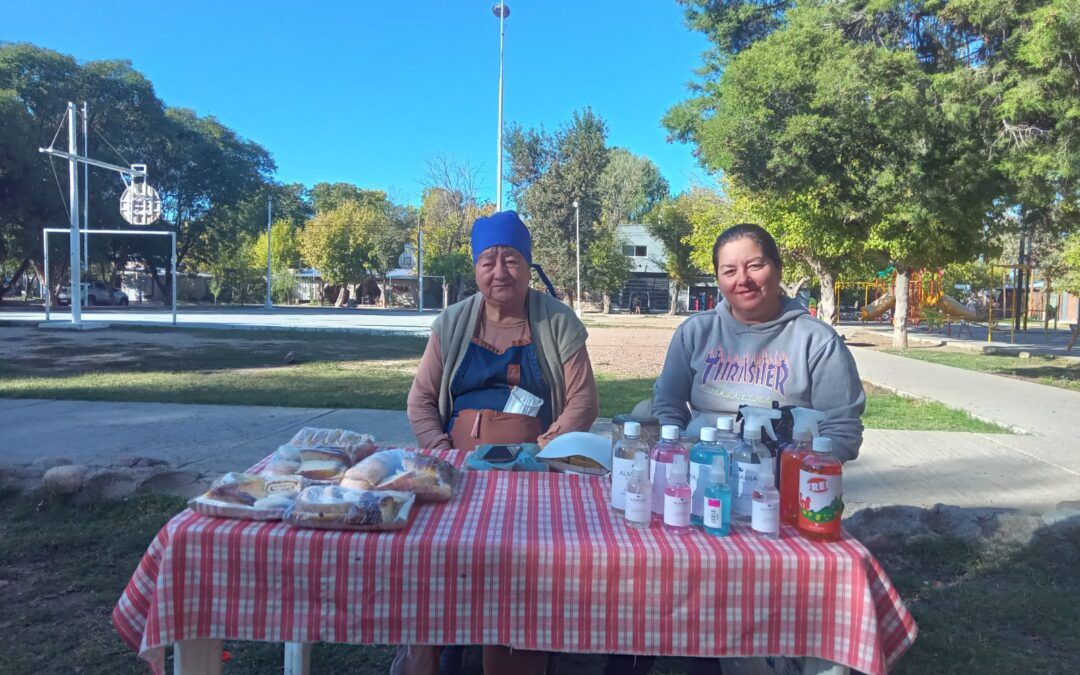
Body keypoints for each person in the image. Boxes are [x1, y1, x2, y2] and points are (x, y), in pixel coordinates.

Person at [399, 210, 599, 675]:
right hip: (456, 469)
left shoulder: (557, 321)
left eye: (511, 260)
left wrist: (546, 449)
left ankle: (513, 650)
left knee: (518, 566)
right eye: (488, 261)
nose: (499, 271)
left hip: (533, 469)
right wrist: (443, 455)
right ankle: (435, 643)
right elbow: (421, 401)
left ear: (528, 266)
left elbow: (583, 401)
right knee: (434, 557)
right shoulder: (451, 323)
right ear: (475, 269)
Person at [652, 223, 865, 462]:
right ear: (719, 279)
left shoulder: (817, 341)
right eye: (729, 271)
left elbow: (841, 429)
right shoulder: (695, 331)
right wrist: (677, 454)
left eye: (755, 266)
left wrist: (803, 474)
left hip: (788, 477)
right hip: (702, 469)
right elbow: (667, 404)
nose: (743, 279)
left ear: (778, 270)